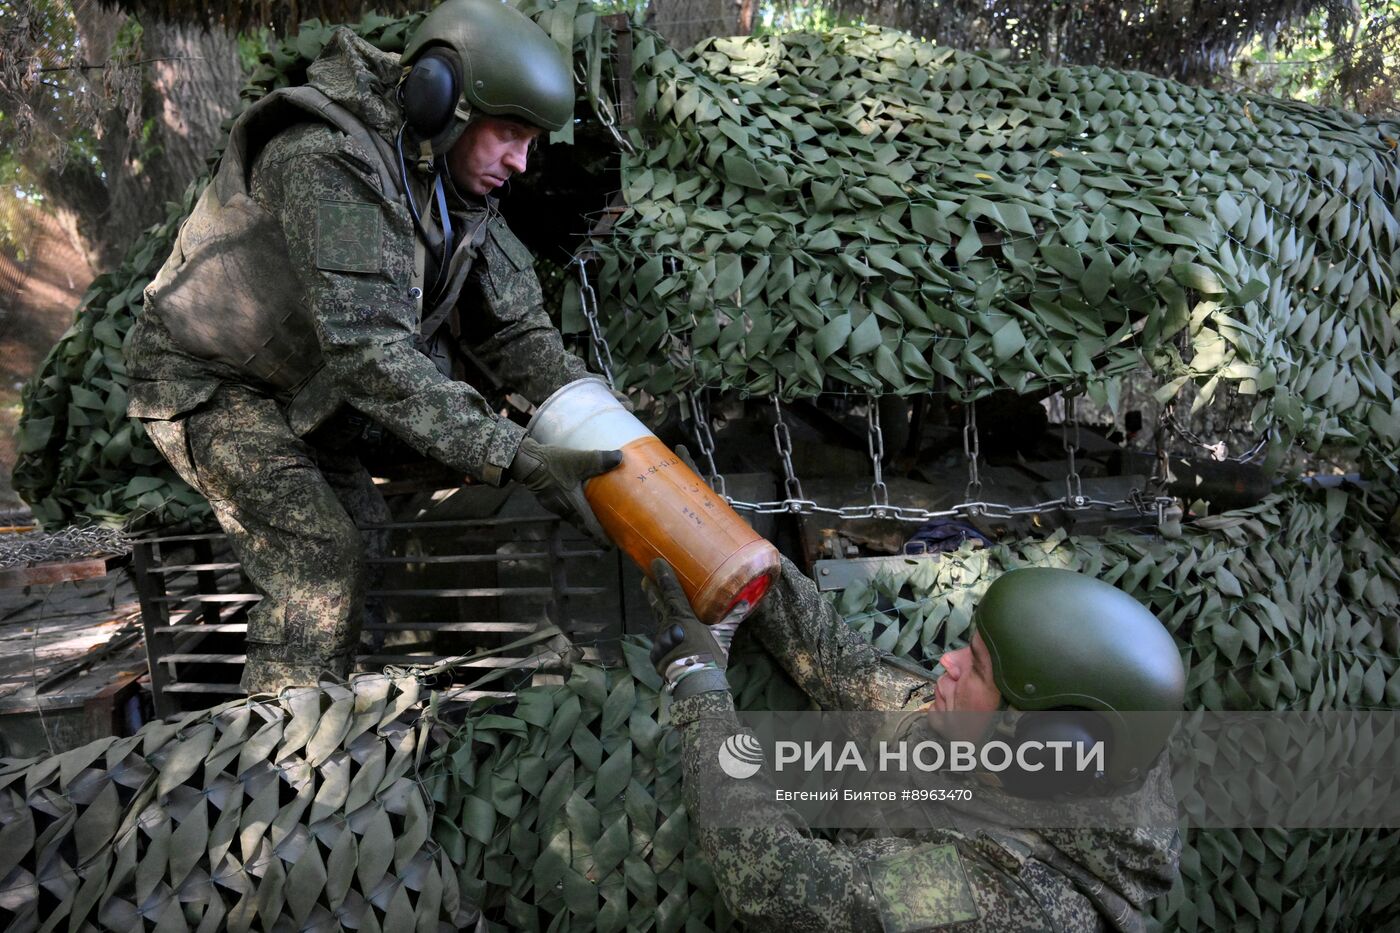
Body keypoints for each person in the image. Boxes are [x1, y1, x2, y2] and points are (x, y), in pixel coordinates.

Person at [125, 0, 620, 694]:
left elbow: (516, 334)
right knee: (319, 556)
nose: (520, 160)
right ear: (438, 102)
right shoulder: (328, 162)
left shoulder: (452, 183)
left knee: (365, 532)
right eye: (509, 133)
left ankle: (327, 697)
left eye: (531, 142)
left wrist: (610, 424)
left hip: (306, 386)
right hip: (208, 382)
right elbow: (369, 352)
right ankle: (280, 769)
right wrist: (512, 454)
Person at [647, 557, 1186, 932]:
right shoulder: (1044, 766)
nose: (946, 664)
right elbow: (850, 674)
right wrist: (742, 558)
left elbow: (776, 880)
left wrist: (698, 683)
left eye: (975, 668)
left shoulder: (1010, 904)